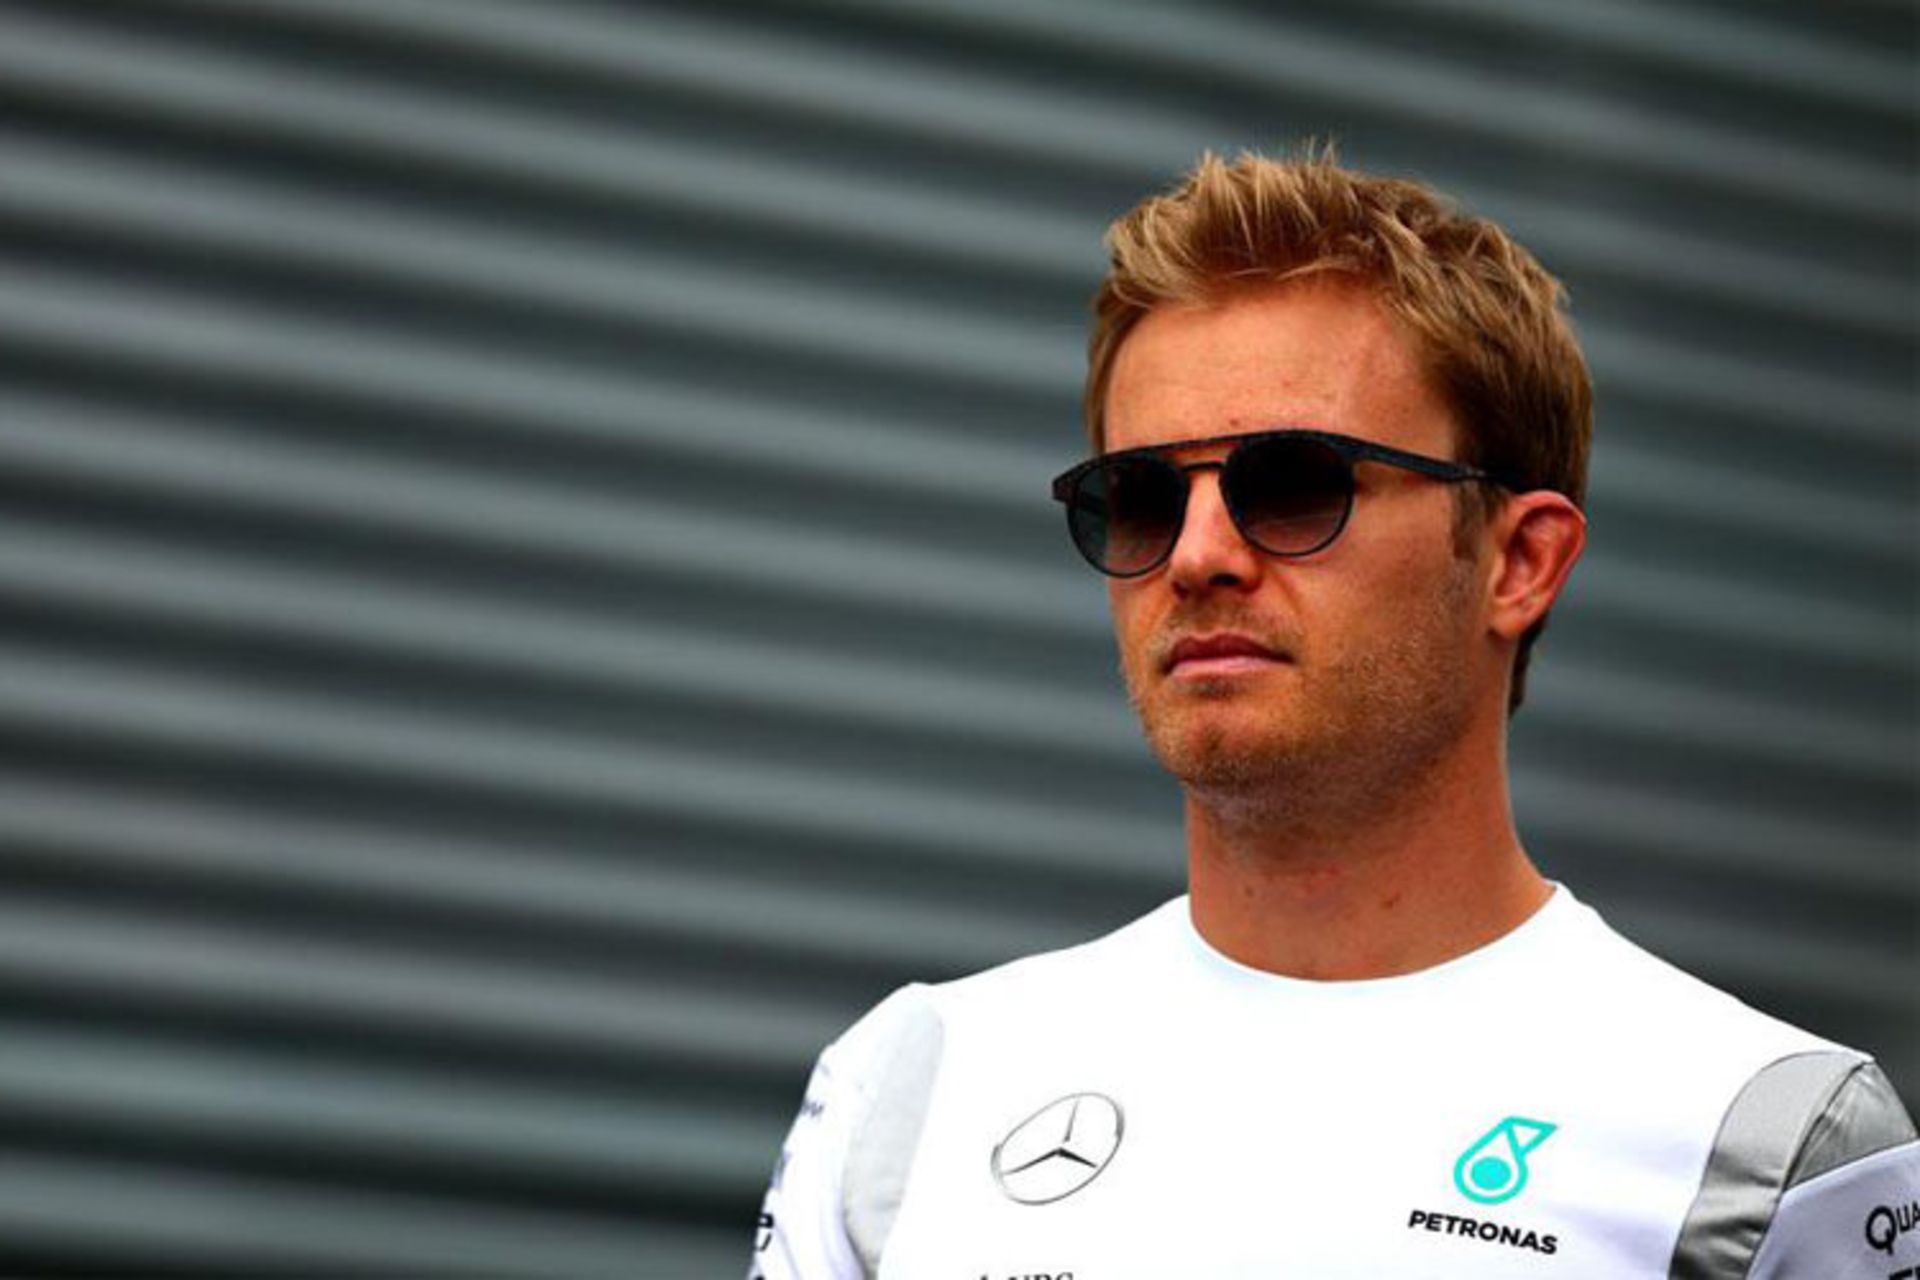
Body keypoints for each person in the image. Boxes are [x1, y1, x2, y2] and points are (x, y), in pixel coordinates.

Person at [747, 151, 1917, 1279]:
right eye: (1141, 496)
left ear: (1519, 561)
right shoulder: (912, 1090)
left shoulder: (1766, 1142)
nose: (1197, 554)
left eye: (1295, 484)